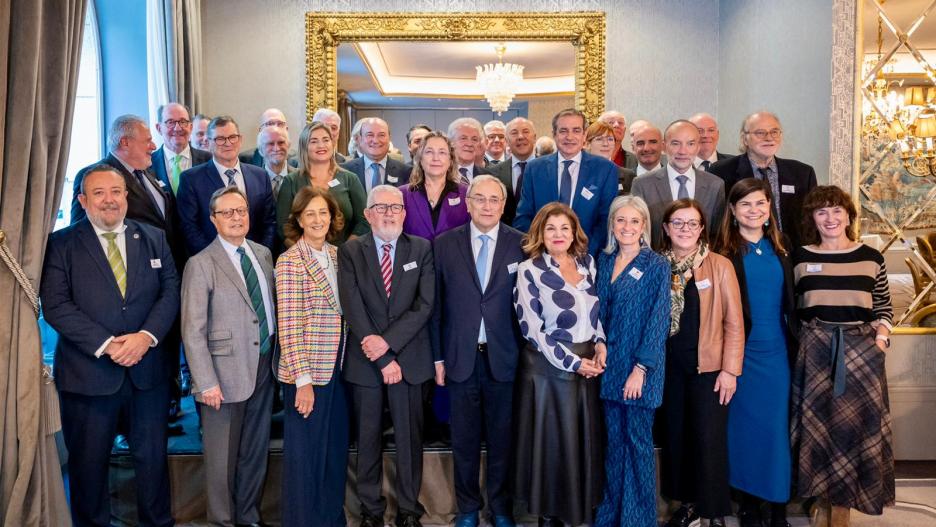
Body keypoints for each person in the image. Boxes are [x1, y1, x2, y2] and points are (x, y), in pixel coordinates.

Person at [41, 165, 179, 527]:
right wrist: (106, 345)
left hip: (147, 376)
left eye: (116, 191)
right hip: (88, 378)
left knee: (153, 465)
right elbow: (56, 305)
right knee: (88, 468)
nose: (109, 200)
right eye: (99, 193)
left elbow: (170, 293)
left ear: (126, 196)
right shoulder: (60, 244)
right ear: (83, 200)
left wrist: (145, 338)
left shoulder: (153, 238)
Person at [791, 186, 894, 527]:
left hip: (862, 354)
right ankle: (820, 499)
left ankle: (841, 510)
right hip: (816, 353)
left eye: (837, 211)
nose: (830, 218)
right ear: (812, 218)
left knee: (854, 431)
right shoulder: (799, 257)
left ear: (849, 215)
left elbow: (883, 307)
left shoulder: (870, 256)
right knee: (819, 429)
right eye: (822, 212)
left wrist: (880, 341)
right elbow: (789, 309)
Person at [338, 185, 435, 527]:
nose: (389, 213)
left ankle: (409, 509)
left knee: (410, 440)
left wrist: (388, 346)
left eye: (395, 207)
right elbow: (352, 305)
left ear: (404, 213)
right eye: (381, 207)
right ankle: (370, 510)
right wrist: (379, 356)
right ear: (367, 214)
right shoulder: (351, 251)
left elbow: (424, 306)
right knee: (368, 439)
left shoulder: (421, 249)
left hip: (410, 360)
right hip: (366, 363)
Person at [431, 175, 526, 527]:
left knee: (503, 442)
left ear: (504, 205)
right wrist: (438, 357)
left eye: (494, 200)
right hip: (460, 359)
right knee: (464, 442)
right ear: (468, 203)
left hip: (506, 359)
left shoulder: (522, 244)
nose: (487, 206)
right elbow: (435, 307)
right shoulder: (443, 245)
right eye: (480, 199)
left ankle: (501, 509)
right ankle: (468, 508)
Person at [181, 186, 275, 527]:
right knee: (221, 459)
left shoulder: (263, 254)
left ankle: (248, 517)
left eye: (242, 211)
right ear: (213, 219)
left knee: (254, 452)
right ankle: (222, 521)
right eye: (228, 213)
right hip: (222, 375)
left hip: (265, 365)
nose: (237, 218)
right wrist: (205, 381)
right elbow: (192, 329)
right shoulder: (201, 263)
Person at [513, 202, 607, 526]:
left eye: (564, 228)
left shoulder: (588, 263)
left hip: (586, 368)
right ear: (540, 232)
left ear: (573, 232)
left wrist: (601, 345)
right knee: (553, 448)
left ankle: (576, 513)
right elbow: (533, 330)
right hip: (548, 371)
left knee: (580, 445)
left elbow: (595, 316)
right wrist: (574, 363)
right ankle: (550, 518)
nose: (558, 234)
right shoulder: (530, 270)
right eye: (551, 228)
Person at [714, 178, 796, 527]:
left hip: (776, 351)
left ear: (769, 209)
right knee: (742, 429)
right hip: (738, 355)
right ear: (732, 210)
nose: (754, 210)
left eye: (760, 203)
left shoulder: (783, 247)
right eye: (745, 204)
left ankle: (777, 504)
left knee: (776, 429)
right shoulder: (722, 251)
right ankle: (747, 503)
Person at [658, 199, 743, 527]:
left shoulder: (720, 265)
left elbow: (734, 323)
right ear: (666, 228)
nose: (685, 230)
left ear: (702, 228)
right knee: (677, 439)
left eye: (692, 223)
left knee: (709, 440)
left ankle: (714, 510)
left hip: (709, 369)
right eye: (677, 223)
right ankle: (688, 505)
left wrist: (730, 370)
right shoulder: (656, 265)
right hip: (668, 370)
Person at [594, 195, 670, 527]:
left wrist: (640, 370)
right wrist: (598, 341)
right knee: (614, 447)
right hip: (609, 367)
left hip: (641, 369)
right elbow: (596, 311)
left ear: (644, 227)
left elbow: (658, 321)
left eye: (634, 221)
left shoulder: (656, 264)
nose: (627, 227)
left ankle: (638, 520)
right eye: (620, 220)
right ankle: (610, 516)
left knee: (638, 447)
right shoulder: (605, 260)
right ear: (612, 225)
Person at [276, 186, 349, 527]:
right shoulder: (290, 261)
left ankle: (331, 519)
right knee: (305, 459)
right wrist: (302, 382)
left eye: (323, 213)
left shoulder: (338, 255)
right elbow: (289, 326)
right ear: (299, 220)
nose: (318, 220)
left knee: (333, 453)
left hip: (337, 368)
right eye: (310, 214)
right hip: (307, 373)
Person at [514, 108, 619, 255]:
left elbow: (606, 220)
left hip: (587, 258)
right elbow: (524, 217)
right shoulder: (534, 169)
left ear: (584, 135)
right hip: (542, 258)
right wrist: (540, 250)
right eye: (563, 131)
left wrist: (583, 253)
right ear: (554, 135)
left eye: (576, 130)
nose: (569, 137)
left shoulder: (605, 170)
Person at [709, 111, 817, 248]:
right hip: (741, 253)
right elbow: (716, 221)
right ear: (745, 139)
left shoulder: (802, 173)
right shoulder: (721, 171)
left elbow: (811, 221)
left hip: (793, 255)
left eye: (774, 132)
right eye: (760, 133)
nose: (769, 138)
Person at [176, 115, 277, 255]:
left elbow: (269, 223)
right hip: (213, 264)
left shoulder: (260, 176)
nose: (228, 143)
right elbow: (189, 228)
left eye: (232, 137)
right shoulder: (191, 180)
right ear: (209, 142)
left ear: (240, 140)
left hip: (256, 259)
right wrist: (218, 259)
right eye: (220, 139)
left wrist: (261, 254)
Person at [632, 120, 726, 249]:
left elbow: (717, 234)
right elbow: (638, 234)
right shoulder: (642, 184)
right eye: (676, 143)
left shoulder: (715, 185)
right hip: (655, 264)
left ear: (698, 147)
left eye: (690, 144)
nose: (683, 151)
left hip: (701, 265)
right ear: (664, 147)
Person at [277, 121, 368, 245]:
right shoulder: (291, 181)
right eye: (314, 141)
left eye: (326, 140)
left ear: (332, 143)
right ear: (304, 146)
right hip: (303, 258)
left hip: (345, 256)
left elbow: (364, 221)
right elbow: (283, 227)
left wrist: (346, 252)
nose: (321, 145)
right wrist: (306, 255)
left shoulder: (350, 179)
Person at [400, 131, 470, 241]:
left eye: (442, 152)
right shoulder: (402, 194)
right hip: (415, 258)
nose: (435, 158)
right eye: (429, 152)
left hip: (453, 258)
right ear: (420, 159)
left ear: (450, 160)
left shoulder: (466, 194)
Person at [151, 102, 211, 195]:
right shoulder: (148, 165)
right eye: (170, 122)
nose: (177, 128)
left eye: (183, 122)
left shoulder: (209, 161)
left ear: (191, 127)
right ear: (159, 128)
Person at [341, 117, 412, 192]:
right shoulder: (345, 170)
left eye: (381, 135)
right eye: (370, 135)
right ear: (360, 139)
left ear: (389, 138)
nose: (375, 140)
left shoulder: (406, 172)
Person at [489, 117, 536, 224]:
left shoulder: (548, 170)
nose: (520, 137)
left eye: (525, 132)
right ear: (506, 141)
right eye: (514, 133)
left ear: (534, 137)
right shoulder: (493, 172)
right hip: (505, 236)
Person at [586, 121, 637, 195]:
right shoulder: (579, 173)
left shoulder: (628, 176)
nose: (606, 144)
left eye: (610, 139)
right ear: (587, 144)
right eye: (599, 139)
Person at [448, 117, 491, 183]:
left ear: (479, 144)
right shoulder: (440, 174)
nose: (469, 144)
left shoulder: (489, 177)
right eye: (463, 138)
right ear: (451, 142)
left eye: (474, 139)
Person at [257, 125, 291, 201]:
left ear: (288, 145)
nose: (276, 148)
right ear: (260, 150)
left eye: (281, 142)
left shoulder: (302, 178)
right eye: (270, 143)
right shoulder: (253, 181)